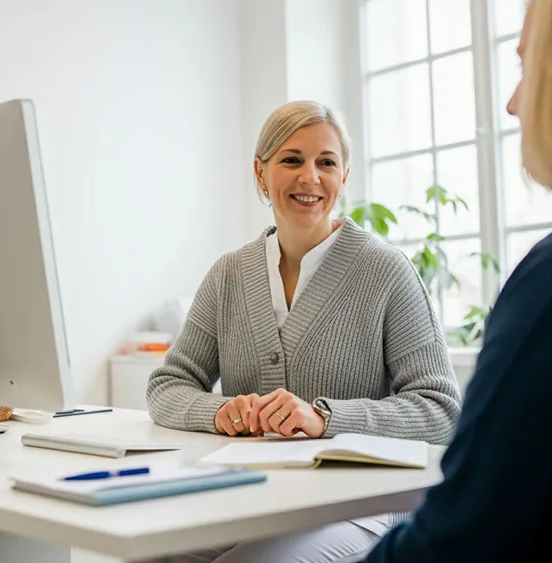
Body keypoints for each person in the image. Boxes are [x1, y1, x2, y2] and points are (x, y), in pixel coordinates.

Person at [361, 1, 552, 561]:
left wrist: (322, 415)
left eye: (526, 65)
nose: (512, 104)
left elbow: (458, 538)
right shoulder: (232, 273)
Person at [146, 100, 462, 562]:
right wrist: (222, 412)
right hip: (251, 497)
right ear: (261, 172)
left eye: (326, 163)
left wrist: (325, 418)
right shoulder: (228, 275)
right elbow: (167, 386)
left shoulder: (387, 271)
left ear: (344, 176)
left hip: (358, 505)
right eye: (291, 160)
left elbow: (441, 411)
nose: (309, 177)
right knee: (149, 550)